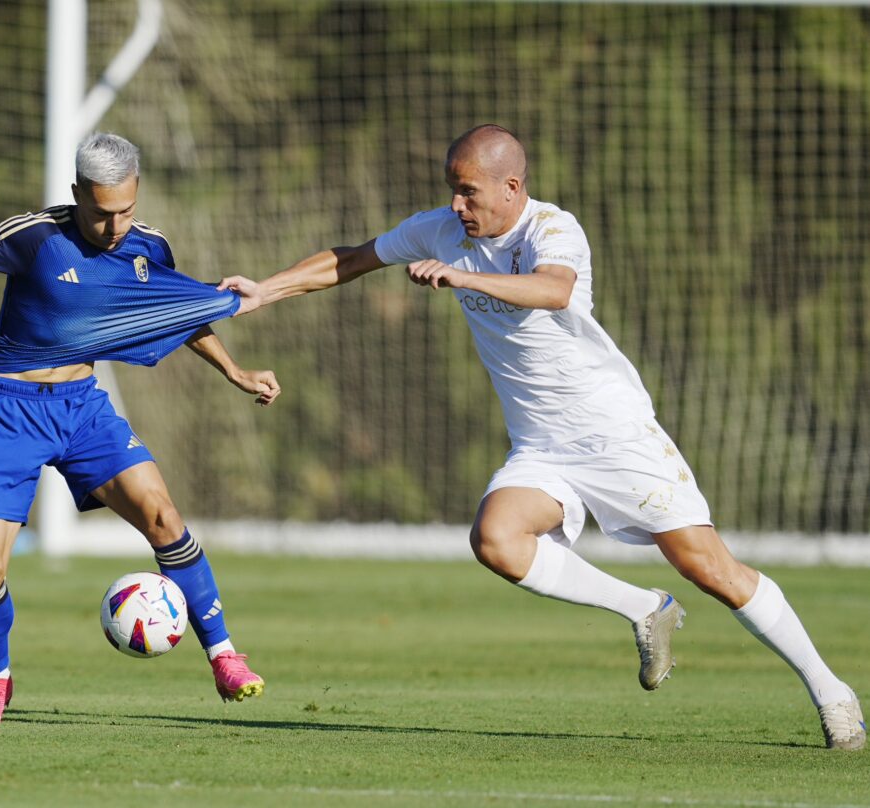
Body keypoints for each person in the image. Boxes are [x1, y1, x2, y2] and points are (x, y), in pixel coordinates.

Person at [218, 124, 865, 751]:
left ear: (512, 187)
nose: (456, 205)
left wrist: (464, 276)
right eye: (452, 189)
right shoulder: (441, 230)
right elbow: (355, 257)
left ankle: (831, 691)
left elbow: (554, 291)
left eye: (469, 191)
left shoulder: (552, 228)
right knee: (496, 539)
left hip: (614, 433)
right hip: (541, 446)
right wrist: (262, 292)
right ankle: (645, 608)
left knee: (711, 569)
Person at [0, 132, 279, 723]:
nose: (114, 225)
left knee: (163, 515)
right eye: (100, 212)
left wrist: (235, 372)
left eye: (125, 211)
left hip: (83, 409)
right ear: (76, 194)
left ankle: (224, 656)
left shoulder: (149, 249)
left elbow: (177, 310)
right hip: (8, 410)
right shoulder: (35, 235)